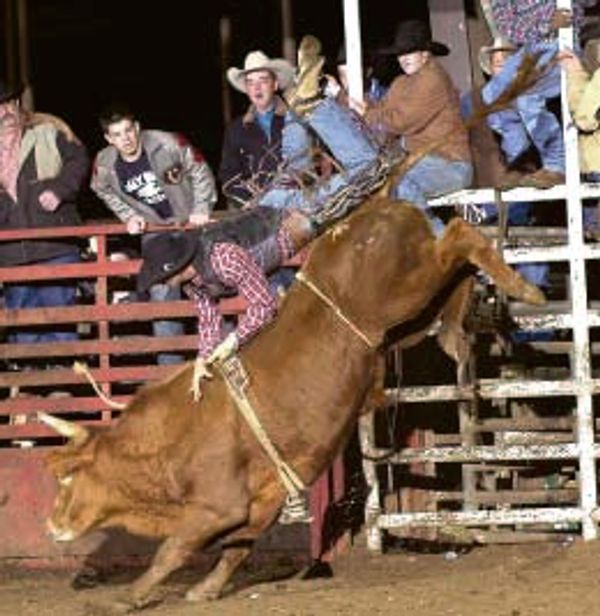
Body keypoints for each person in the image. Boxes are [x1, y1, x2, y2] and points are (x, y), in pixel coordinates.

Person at [90, 103, 217, 364]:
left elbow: (200, 170)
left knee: (213, 281)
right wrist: (128, 216)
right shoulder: (105, 164)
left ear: (137, 127)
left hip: (190, 223)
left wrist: (201, 208)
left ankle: (221, 358)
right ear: (108, 139)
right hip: (156, 230)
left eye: (128, 130)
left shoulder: (167, 143)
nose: (125, 139)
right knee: (162, 287)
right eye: (117, 134)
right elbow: (101, 189)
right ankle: (170, 372)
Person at [350, 20, 473, 235]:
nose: (403, 58)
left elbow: (399, 121)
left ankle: (439, 239)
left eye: (410, 52)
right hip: (422, 162)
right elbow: (383, 109)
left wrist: (368, 115)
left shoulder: (433, 79)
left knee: (396, 180)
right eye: (400, 54)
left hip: (449, 164)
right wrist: (363, 106)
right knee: (384, 181)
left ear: (425, 54)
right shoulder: (401, 83)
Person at [0, 79, 89, 348]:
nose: (5, 112)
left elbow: (79, 159)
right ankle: (33, 383)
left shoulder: (48, 129)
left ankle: (62, 383)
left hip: (54, 245)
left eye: (8, 104)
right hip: (11, 250)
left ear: (17, 104)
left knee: (60, 314)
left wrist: (61, 190)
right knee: (23, 319)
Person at [480, 0, 598, 189]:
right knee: (492, 94)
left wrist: (561, 20)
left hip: (561, 44)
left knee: (529, 96)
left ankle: (556, 165)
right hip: (529, 49)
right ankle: (520, 160)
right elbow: (509, 28)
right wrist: (546, 24)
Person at [220, 50, 295, 209]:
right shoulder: (236, 129)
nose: (257, 88)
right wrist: (251, 201)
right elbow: (228, 175)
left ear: (274, 84)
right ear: (246, 89)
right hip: (256, 212)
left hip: (296, 205)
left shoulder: (295, 120)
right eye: (251, 82)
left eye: (263, 80)